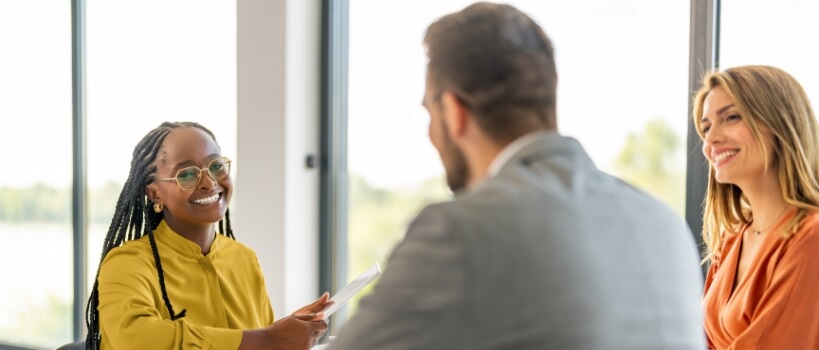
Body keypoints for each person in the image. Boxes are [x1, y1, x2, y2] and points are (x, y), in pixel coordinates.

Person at [327, 3, 705, 349]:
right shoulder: (664, 222)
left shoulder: (459, 232)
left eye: (428, 111)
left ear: (454, 111)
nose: (428, 132)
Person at [86, 121, 330, 350]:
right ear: (155, 194)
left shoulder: (244, 258)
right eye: (187, 175)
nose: (209, 182)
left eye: (216, 166)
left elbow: (260, 342)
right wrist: (267, 339)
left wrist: (285, 332)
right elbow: (137, 339)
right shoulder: (127, 263)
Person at [697, 66, 819, 349]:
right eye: (705, 127)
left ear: (780, 123)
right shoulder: (731, 241)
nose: (710, 140)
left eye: (730, 117)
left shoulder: (811, 238)